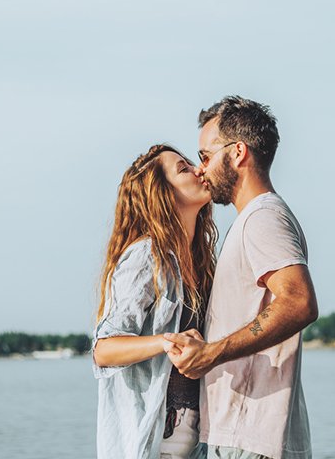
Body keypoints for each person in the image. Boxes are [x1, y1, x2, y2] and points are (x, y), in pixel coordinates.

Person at [165, 96, 318, 459]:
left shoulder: (262, 218)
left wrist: (211, 353)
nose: (200, 169)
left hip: (248, 439)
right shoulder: (256, 218)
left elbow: (299, 302)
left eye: (205, 156)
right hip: (240, 436)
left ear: (237, 153)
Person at [92, 144, 217, 459]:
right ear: (163, 194)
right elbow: (104, 350)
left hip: (199, 442)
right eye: (184, 168)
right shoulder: (146, 257)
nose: (199, 169)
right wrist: (165, 342)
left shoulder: (202, 263)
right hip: (152, 443)